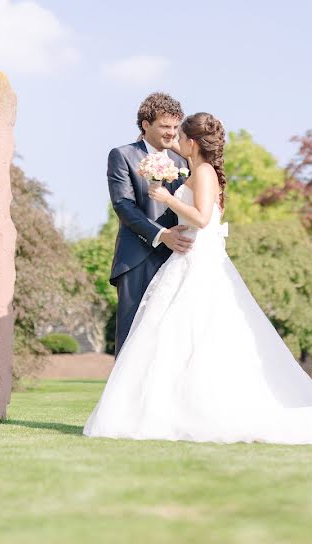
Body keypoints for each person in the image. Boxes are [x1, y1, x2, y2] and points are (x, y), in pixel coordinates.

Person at [84, 112, 312, 445]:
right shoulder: (193, 166)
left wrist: (165, 197)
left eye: (180, 134)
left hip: (198, 261)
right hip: (186, 258)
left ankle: (194, 408)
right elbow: (179, 166)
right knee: (173, 334)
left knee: (195, 332)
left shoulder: (204, 172)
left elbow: (203, 217)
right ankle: (168, 408)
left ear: (193, 141)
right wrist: (158, 157)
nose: (173, 138)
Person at [107, 92, 193, 355]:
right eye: (165, 126)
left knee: (169, 339)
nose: (172, 133)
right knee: (132, 335)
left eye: (176, 127)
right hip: (136, 258)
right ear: (146, 124)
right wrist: (161, 234)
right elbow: (123, 205)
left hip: (176, 258)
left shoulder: (183, 162)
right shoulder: (122, 155)